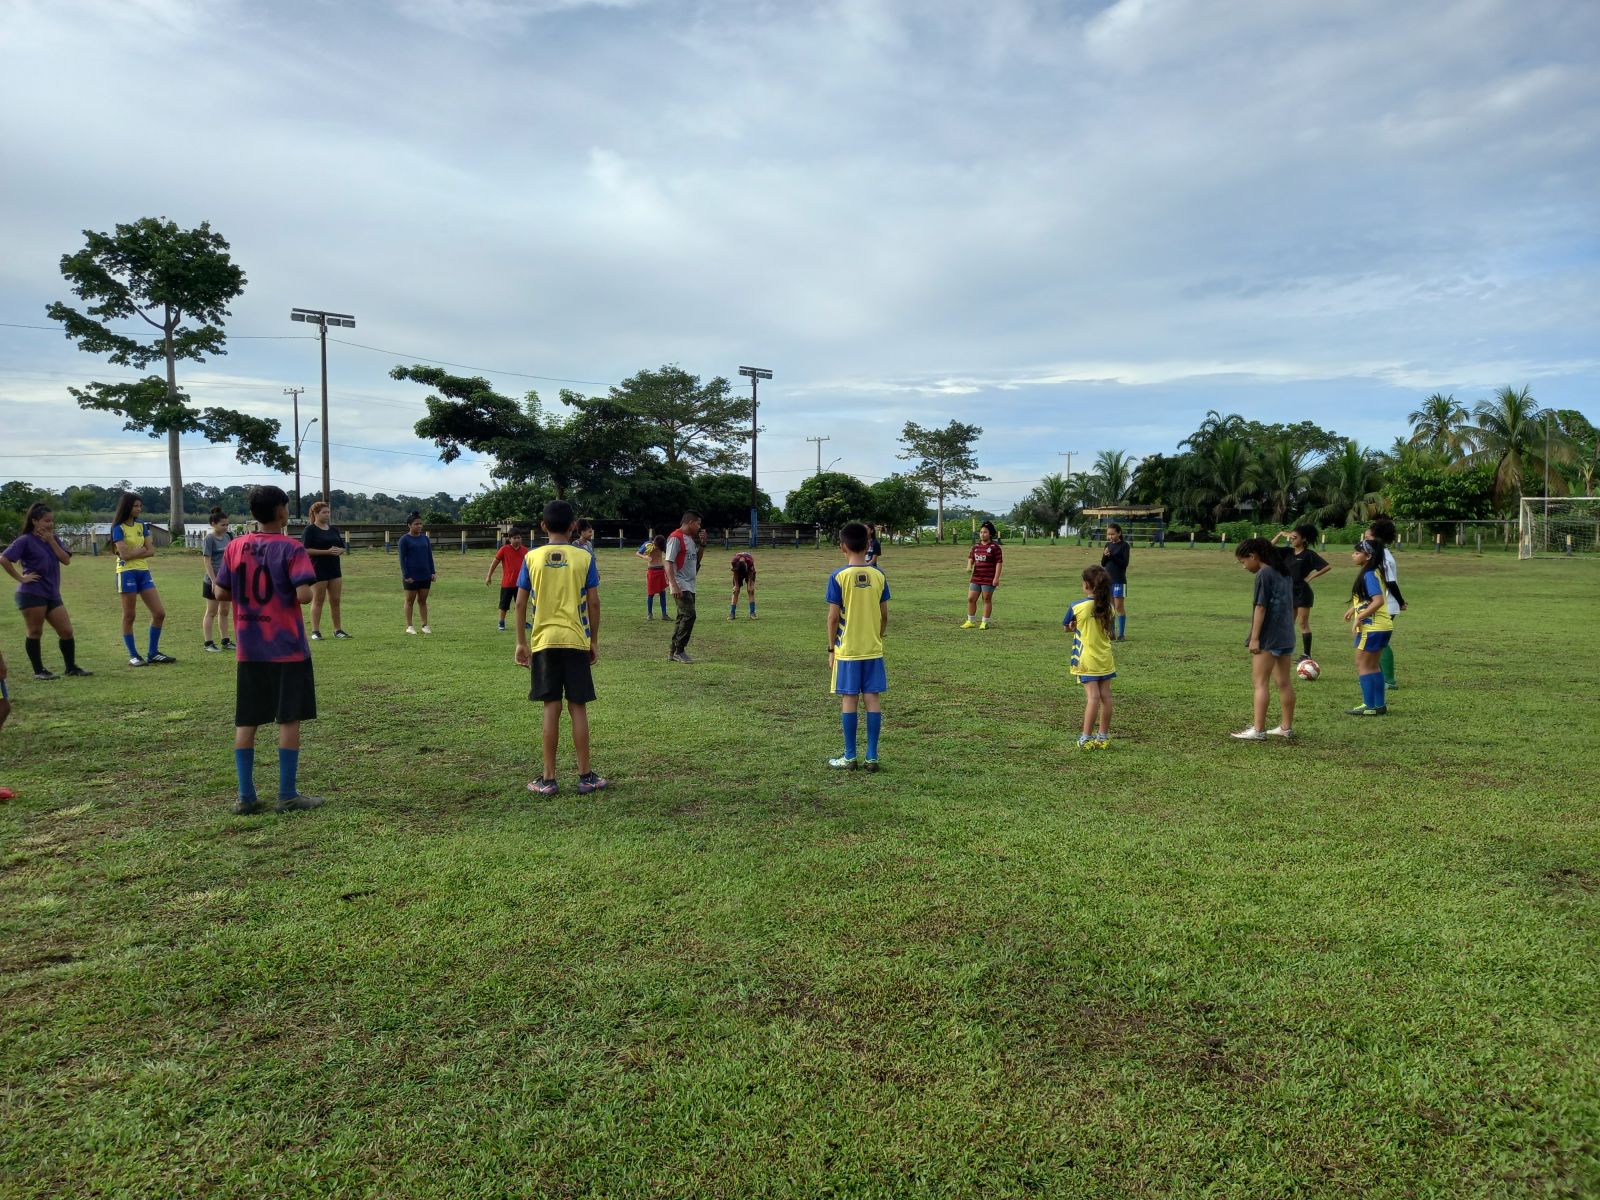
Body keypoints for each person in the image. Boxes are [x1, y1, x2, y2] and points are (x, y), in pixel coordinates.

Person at [215, 485, 324, 815]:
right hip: (286, 647)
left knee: (246, 719)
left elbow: (220, 592)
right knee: (288, 717)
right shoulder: (292, 549)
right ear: (281, 511)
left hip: (249, 647)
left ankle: (246, 796)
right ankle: (287, 794)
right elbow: (305, 596)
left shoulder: (235, 547)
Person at [514, 499, 606, 797]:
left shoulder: (531, 557)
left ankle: (548, 778)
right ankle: (585, 776)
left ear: (543, 526)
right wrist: (593, 640)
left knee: (551, 707)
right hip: (575, 639)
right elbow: (593, 601)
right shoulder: (583, 558)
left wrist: (520, 642)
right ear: (572, 527)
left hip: (543, 641)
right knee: (577, 706)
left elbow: (520, 602)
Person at [826, 521, 889, 770]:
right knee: (872, 698)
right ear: (868, 544)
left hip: (848, 649)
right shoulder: (879, 575)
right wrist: (878, 635)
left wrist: (831, 648)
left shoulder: (838, 576)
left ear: (843, 547)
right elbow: (885, 615)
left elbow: (832, 617)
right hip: (872, 648)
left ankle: (850, 756)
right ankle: (872, 756)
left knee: (849, 698)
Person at [2, 503, 91, 679]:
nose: (50, 524)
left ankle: (71, 667)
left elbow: (66, 560)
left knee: (66, 631)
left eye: (52, 520)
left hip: (52, 593)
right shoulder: (25, 540)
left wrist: (51, 540)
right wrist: (21, 578)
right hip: (31, 593)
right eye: (46, 520)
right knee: (35, 631)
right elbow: (4, 559)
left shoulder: (54, 539)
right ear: (34, 521)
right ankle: (39, 671)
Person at [1231, 537, 1297, 741]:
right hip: (1286, 634)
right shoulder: (1284, 572)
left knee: (1260, 682)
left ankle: (1258, 730)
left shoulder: (1264, 574)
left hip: (1269, 635)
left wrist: (1255, 638)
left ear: (1253, 556)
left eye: (1243, 562)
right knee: (1284, 682)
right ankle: (1286, 727)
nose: (1244, 567)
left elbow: (1260, 607)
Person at [108, 491, 175, 666]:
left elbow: (151, 551)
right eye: (135, 506)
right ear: (127, 507)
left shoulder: (142, 525)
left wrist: (132, 553)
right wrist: (138, 552)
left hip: (143, 572)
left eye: (140, 506)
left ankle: (153, 653)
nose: (139, 509)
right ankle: (133, 655)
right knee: (129, 615)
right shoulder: (118, 527)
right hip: (126, 573)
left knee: (159, 613)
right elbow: (124, 555)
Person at [1064, 565, 1117, 749]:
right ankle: (1102, 737)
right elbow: (1110, 632)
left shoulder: (1077, 606)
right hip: (1105, 658)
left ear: (1086, 584)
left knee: (1092, 698)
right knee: (1106, 697)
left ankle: (1085, 738)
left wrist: (1072, 626)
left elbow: (1066, 627)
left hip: (1086, 658)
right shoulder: (1110, 607)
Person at [1343, 539, 1394, 717]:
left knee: (1363, 665)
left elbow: (1378, 601)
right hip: (1383, 626)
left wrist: (1360, 617)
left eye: (1357, 553)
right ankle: (1379, 705)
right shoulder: (1374, 571)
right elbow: (1369, 598)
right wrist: (1353, 609)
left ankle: (1369, 705)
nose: (1353, 555)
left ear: (1368, 556)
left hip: (1372, 627)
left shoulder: (1369, 574)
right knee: (1373, 666)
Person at [1272, 523, 1331, 661]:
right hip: (1289, 592)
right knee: (1288, 623)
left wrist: (1310, 577)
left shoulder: (1309, 554)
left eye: (1295, 537)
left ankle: (1306, 654)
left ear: (1303, 539)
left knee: (1303, 623)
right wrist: (1281, 534)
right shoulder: (1288, 552)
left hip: (1302, 593)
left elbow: (1327, 567)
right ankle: (1284, 650)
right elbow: (1268, 548)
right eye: (1291, 537)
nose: (1291, 539)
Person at [1364, 517, 1407, 690]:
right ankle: (1378, 676)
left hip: (1386, 604)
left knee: (1380, 641)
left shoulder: (1384, 557)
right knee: (1376, 640)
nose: (1365, 535)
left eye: (1368, 533)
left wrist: (1400, 601)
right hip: (1382, 602)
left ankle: (1388, 680)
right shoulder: (1378, 553)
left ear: (1374, 535)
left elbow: (1390, 582)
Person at [302, 501, 351, 641]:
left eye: (328, 512)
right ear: (315, 514)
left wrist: (339, 550)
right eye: (324, 512)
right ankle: (315, 631)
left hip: (334, 569)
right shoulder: (310, 530)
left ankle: (338, 630)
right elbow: (305, 550)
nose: (327, 515)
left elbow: (342, 547)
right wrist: (326, 552)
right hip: (318, 569)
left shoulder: (333, 529)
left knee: (335, 600)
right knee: (318, 600)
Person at [665, 511, 703, 663]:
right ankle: (679, 651)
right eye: (698, 523)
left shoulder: (690, 539)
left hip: (690, 584)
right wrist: (673, 584)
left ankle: (673, 651)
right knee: (689, 615)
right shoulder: (676, 538)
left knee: (682, 617)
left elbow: (696, 559)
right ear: (690, 522)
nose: (699, 527)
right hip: (680, 583)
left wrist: (703, 544)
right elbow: (668, 561)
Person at [200, 507, 235, 654]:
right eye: (223, 525)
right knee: (211, 612)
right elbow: (207, 561)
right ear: (213, 524)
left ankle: (225, 640)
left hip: (227, 580)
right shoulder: (209, 538)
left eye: (227, 524)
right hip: (213, 581)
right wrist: (214, 581)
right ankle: (208, 643)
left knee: (225, 611)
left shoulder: (229, 536)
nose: (226, 527)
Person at [398, 512, 436, 635]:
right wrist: (406, 575)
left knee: (423, 601)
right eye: (416, 524)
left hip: (425, 575)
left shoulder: (425, 538)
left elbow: (429, 556)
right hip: (411, 576)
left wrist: (432, 572)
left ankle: (425, 625)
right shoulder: (404, 540)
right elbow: (402, 559)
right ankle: (410, 626)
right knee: (409, 601)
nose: (419, 526)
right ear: (409, 525)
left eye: (421, 524)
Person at [962, 521, 1003, 629]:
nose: (982, 534)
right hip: (976, 577)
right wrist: (969, 566)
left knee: (986, 599)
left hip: (989, 577)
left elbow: (999, 562)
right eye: (980, 532)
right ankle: (970, 621)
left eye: (985, 532)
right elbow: (971, 558)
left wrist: (996, 578)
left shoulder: (995, 547)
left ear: (990, 534)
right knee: (971, 598)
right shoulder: (976, 546)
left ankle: (985, 622)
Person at [485, 528, 526, 631]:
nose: (517, 540)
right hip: (507, 583)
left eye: (519, 538)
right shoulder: (504, 549)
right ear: (510, 539)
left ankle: (522, 622)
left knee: (521, 604)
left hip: (521, 583)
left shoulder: (525, 551)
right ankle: (501, 622)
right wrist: (489, 576)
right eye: (515, 538)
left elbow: (530, 567)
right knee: (504, 604)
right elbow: (495, 562)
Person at [1100, 522, 1130, 640]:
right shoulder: (1107, 545)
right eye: (1108, 534)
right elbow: (1103, 563)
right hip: (1108, 581)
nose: (1110, 537)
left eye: (1112, 534)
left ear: (1119, 533)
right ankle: (1111, 633)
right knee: (1110, 608)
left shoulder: (1124, 546)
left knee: (1118, 607)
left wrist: (1111, 555)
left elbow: (1124, 564)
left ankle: (1121, 634)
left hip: (1119, 581)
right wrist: (1105, 555)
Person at [635, 535, 669, 620]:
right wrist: (645, 557)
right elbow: (638, 553)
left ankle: (664, 614)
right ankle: (649, 614)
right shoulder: (648, 545)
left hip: (661, 570)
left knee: (662, 593)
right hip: (652, 570)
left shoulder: (662, 545)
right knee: (651, 593)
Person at [729, 550, 757, 620]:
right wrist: (736, 585)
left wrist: (750, 584)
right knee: (735, 591)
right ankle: (732, 613)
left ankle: (752, 613)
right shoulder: (734, 561)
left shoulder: (749, 561)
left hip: (749, 572)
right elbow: (735, 573)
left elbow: (751, 572)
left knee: (750, 591)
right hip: (738, 571)